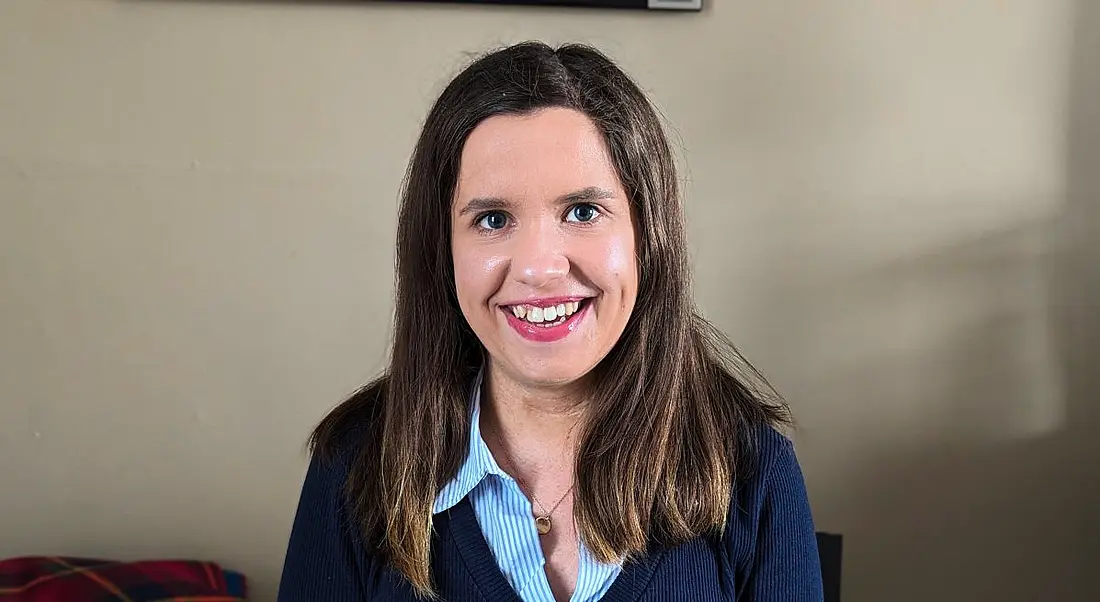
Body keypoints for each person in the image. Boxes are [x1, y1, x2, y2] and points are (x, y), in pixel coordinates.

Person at [276, 41, 823, 602]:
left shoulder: (754, 469)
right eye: (492, 219)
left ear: (647, 237)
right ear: (443, 251)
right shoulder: (355, 463)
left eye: (583, 212)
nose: (539, 267)